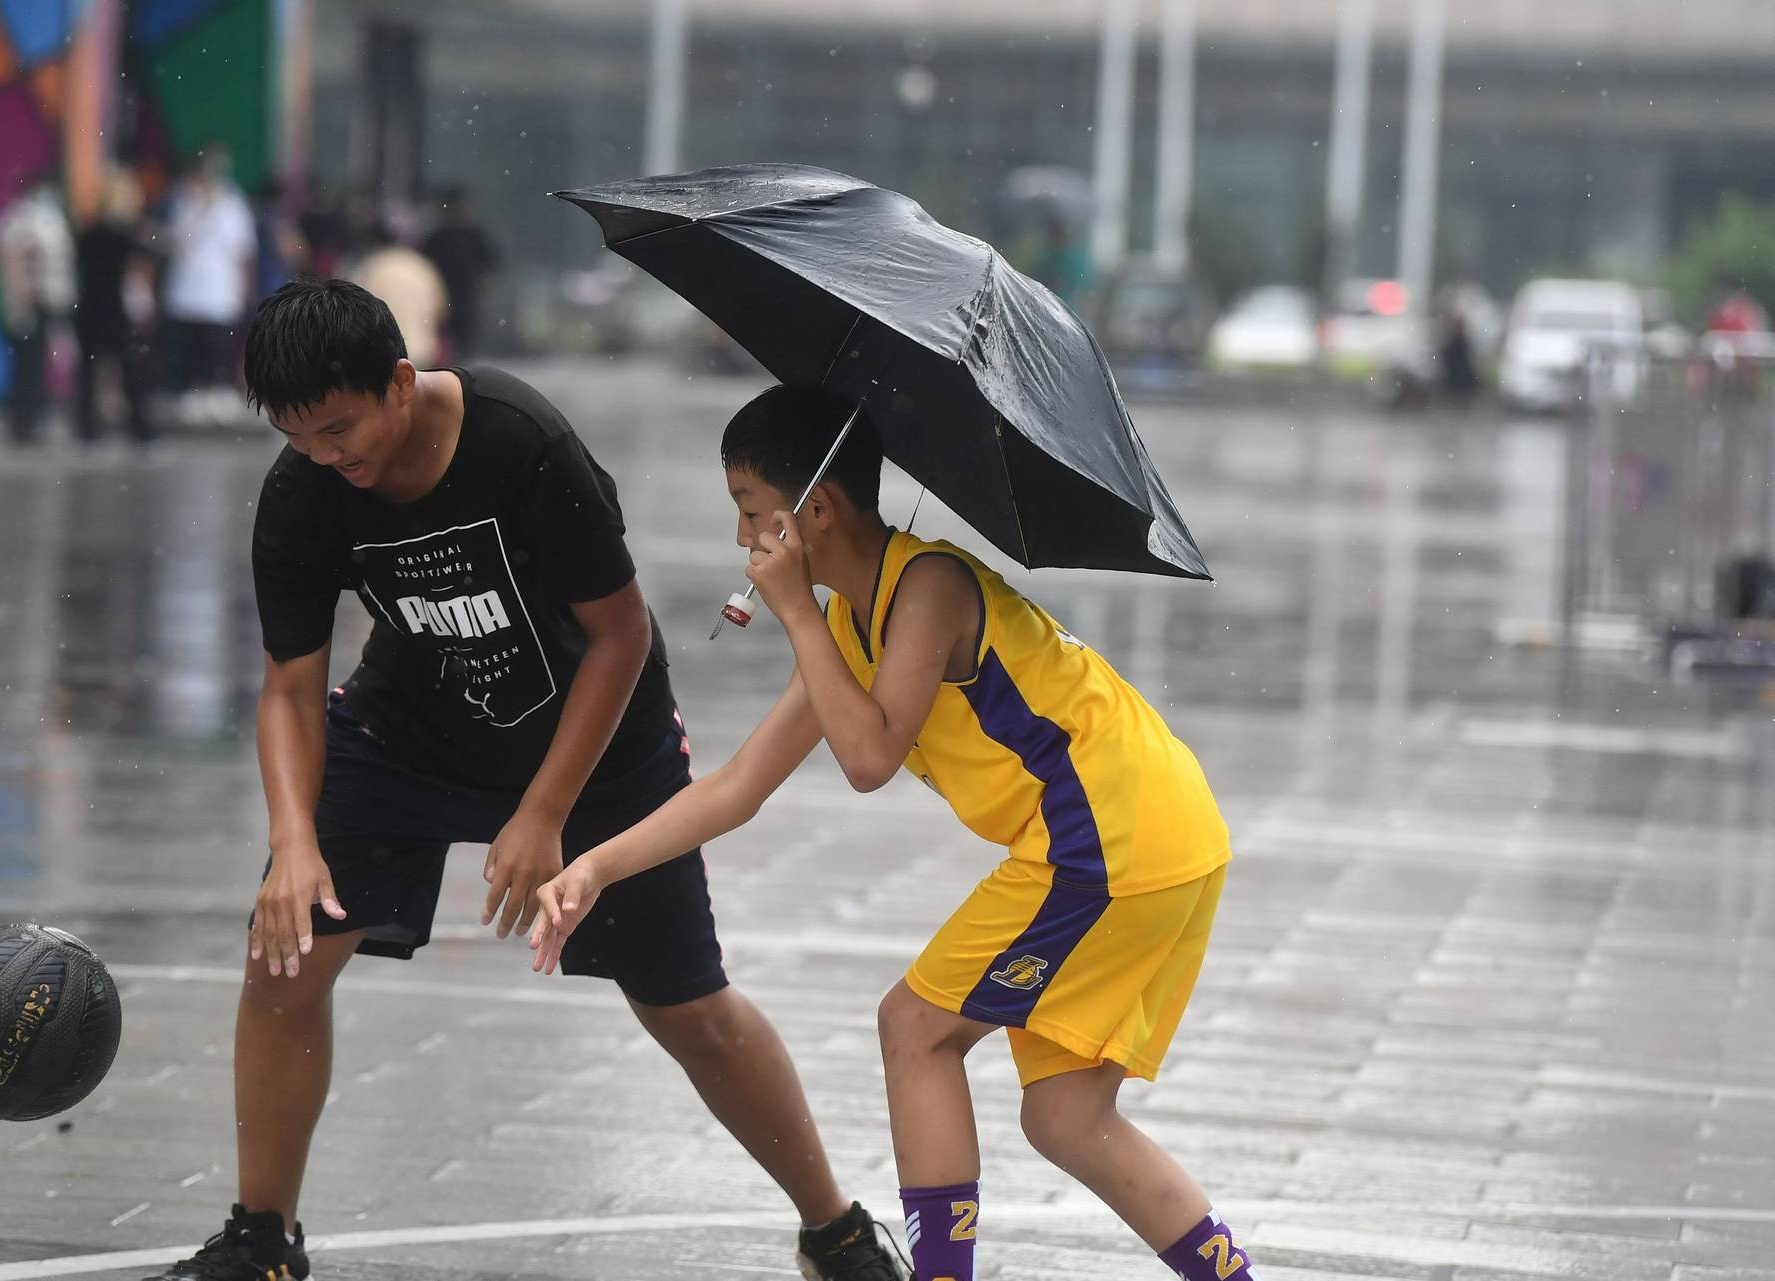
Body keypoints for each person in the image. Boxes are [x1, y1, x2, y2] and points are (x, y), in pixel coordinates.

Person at [139, 279, 904, 1281]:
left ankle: (834, 1230)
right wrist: (293, 840)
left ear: (401, 383)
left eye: (342, 428)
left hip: (599, 742)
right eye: (304, 439)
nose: (333, 459)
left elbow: (620, 634)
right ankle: (262, 1238)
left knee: (685, 1006)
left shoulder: (520, 444)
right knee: (282, 957)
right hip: (406, 731)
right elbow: (289, 688)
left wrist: (544, 812)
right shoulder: (302, 493)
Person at [532, 386, 1255, 1281]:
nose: (742, 540)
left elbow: (869, 757)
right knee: (1066, 1116)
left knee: (914, 1028)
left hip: (1110, 835)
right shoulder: (849, 617)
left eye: (752, 513)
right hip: (1146, 834)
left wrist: (796, 612)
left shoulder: (929, 588)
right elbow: (739, 784)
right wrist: (595, 866)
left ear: (815, 512)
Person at [160, 146, 254, 417]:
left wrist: (242, 285)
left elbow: (241, 249)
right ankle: (194, 390)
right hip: (188, 287)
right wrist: (199, 208)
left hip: (218, 288)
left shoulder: (232, 205)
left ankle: (218, 390)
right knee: (190, 342)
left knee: (218, 343)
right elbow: (175, 240)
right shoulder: (183, 202)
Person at [73, 169, 157, 444]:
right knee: (130, 371)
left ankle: (87, 429)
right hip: (113, 309)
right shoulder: (123, 236)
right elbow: (143, 262)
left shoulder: (88, 233)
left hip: (90, 308)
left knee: (90, 373)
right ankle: (140, 429)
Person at [0, 176, 76, 444]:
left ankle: (28, 419)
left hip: (43, 300)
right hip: (30, 301)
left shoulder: (42, 221)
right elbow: (18, 257)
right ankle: (23, 421)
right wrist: (24, 292)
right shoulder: (25, 222)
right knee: (26, 363)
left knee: (33, 361)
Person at [349, 203, 447, 367]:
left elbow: (351, 309)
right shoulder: (421, 266)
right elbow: (440, 309)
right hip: (421, 349)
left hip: (381, 351)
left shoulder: (370, 267)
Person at [420, 185, 500, 357]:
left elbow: (491, 265)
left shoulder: (474, 235)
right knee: (447, 340)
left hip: (465, 297)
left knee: (463, 341)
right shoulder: (437, 237)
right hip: (443, 296)